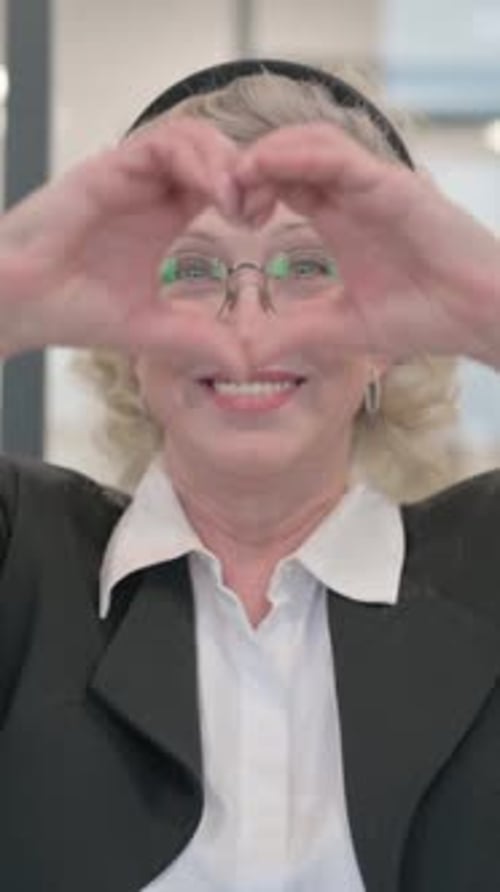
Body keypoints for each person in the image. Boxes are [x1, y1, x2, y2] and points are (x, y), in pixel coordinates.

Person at [0, 57, 499, 892]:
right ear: (132, 338)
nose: (246, 317)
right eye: (192, 269)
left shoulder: (488, 563)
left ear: (384, 336)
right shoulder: (23, 558)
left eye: (306, 268)